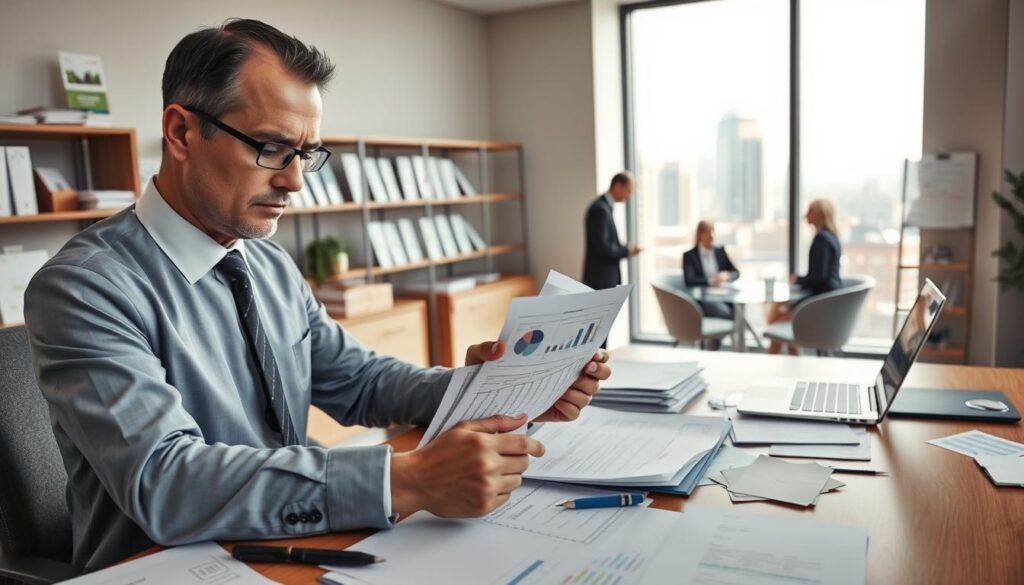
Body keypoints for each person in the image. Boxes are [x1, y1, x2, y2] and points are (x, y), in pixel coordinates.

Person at [23, 19, 610, 571]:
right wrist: (402, 480)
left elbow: (360, 382)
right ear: (181, 132)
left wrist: (498, 388)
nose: (295, 180)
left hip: (296, 546)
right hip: (166, 569)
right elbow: (165, 480)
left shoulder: (270, 265)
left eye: (306, 154)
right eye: (272, 148)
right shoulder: (86, 286)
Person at [767, 198, 843, 354]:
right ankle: (792, 359)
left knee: (778, 317)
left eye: (810, 211)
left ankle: (774, 359)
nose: (805, 215)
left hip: (822, 301)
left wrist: (798, 280)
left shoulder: (821, 239)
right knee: (780, 313)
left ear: (819, 214)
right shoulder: (832, 236)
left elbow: (818, 277)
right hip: (830, 299)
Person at [682, 220, 739, 350]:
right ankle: (713, 346)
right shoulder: (690, 256)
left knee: (738, 311)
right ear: (700, 234)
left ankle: (714, 344)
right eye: (709, 232)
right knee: (726, 313)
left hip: (724, 297)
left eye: (714, 231)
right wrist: (711, 281)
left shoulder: (720, 252)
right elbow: (689, 280)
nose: (712, 236)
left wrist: (726, 276)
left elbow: (736, 273)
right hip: (701, 301)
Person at [582, 172, 643, 291]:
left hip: (603, 280)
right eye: (628, 190)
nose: (629, 196)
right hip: (600, 282)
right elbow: (602, 248)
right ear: (617, 186)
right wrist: (627, 250)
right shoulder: (600, 209)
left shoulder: (604, 208)